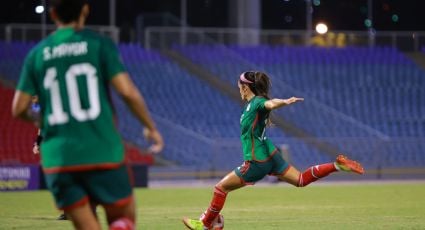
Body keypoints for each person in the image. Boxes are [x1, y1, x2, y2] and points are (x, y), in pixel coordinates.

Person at [12, 0, 164, 229]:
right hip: (101, 149)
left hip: (60, 158)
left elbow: (19, 108)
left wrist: (43, 120)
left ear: (52, 14)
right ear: (85, 9)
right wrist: (150, 127)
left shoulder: (37, 54)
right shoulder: (98, 44)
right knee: (124, 216)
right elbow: (127, 92)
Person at [182, 71, 364, 230]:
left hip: (257, 161)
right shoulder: (251, 105)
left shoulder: (257, 102)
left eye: (239, 86)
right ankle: (337, 166)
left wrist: (284, 102)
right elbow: (267, 106)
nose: (238, 89)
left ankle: (205, 224)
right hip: (271, 155)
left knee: (220, 188)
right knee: (301, 179)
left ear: (246, 87)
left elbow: (270, 104)